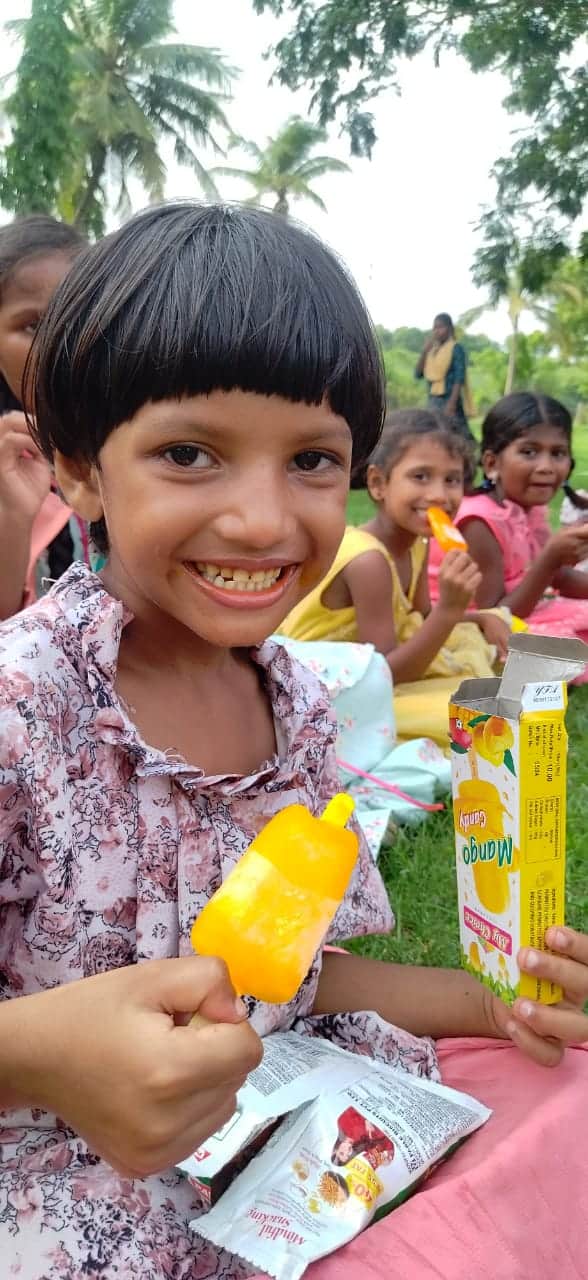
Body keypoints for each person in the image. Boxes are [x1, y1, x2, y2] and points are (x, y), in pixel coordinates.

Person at [1, 205, 587, 1278]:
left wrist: (485, 1000)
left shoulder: (299, 706)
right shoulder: (23, 704)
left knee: (567, 1100)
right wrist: (35, 1051)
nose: (266, 520)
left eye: (312, 459)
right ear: (80, 470)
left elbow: (308, 975)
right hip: (60, 1170)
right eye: (190, 453)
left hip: (278, 1126)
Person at [281, 410, 510, 746]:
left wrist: (477, 618)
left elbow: (421, 617)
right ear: (378, 484)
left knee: (478, 637)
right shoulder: (368, 561)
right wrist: (449, 611)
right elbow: (385, 675)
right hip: (332, 687)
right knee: (475, 717)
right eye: (420, 476)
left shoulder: (417, 543)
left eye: (451, 479)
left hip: (383, 667)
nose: (439, 495)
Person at [428, 392, 588, 669]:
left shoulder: (528, 511)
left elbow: (559, 577)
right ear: (492, 464)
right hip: (469, 621)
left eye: (558, 453)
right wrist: (550, 558)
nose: (547, 467)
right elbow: (497, 612)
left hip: (518, 609)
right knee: (561, 642)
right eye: (529, 452)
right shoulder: (478, 521)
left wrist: (552, 562)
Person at [0, 215, 90, 621]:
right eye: (33, 325)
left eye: (78, 321)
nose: (59, 345)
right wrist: (14, 516)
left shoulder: (124, 442)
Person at [415, 313, 475, 450]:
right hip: (433, 400)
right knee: (437, 432)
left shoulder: (456, 348)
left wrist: (452, 403)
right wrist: (424, 352)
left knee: (460, 434)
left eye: (440, 327)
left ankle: (473, 458)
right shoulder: (432, 352)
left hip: (450, 399)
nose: (437, 331)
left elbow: (459, 377)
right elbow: (418, 374)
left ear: (449, 328)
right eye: (434, 328)